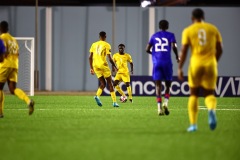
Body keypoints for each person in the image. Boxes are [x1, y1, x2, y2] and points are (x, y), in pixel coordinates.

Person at [178, 8, 223, 132]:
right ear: (203, 17)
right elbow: (220, 49)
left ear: (192, 18)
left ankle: (193, 125)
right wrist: (213, 62)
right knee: (209, 94)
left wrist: (180, 67)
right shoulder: (213, 29)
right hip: (210, 64)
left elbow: (184, 51)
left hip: (196, 63)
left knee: (193, 94)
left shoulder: (188, 30)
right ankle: (211, 110)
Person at [0, 21, 34, 118]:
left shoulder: (2, 38)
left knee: (0, 88)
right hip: (15, 65)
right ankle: (28, 100)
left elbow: (3, 51)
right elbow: (18, 54)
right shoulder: (13, 40)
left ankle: (0, 112)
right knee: (12, 89)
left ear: (1, 29)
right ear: (8, 28)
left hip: (5, 64)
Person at [146, 20, 179, 116]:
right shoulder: (171, 35)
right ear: (167, 26)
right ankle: (166, 102)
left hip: (157, 63)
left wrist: (154, 54)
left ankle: (159, 108)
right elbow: (174, 46)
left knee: (158, 85)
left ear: (159, 26)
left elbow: (147, 49)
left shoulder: (154, 36)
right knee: (168, 85)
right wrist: (177, 56)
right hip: (167, 63)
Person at [89, 31, 119, 107]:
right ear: (105, 36)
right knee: (110, 83)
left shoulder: (94, 44)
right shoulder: (107, 45)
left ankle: (97, 96)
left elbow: (90, 57)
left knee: (103, 84)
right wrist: (115, 67)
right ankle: (114, 102)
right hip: (103, 65)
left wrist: (91, 68)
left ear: (99, 36)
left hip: (95, 66)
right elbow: (110, 58)